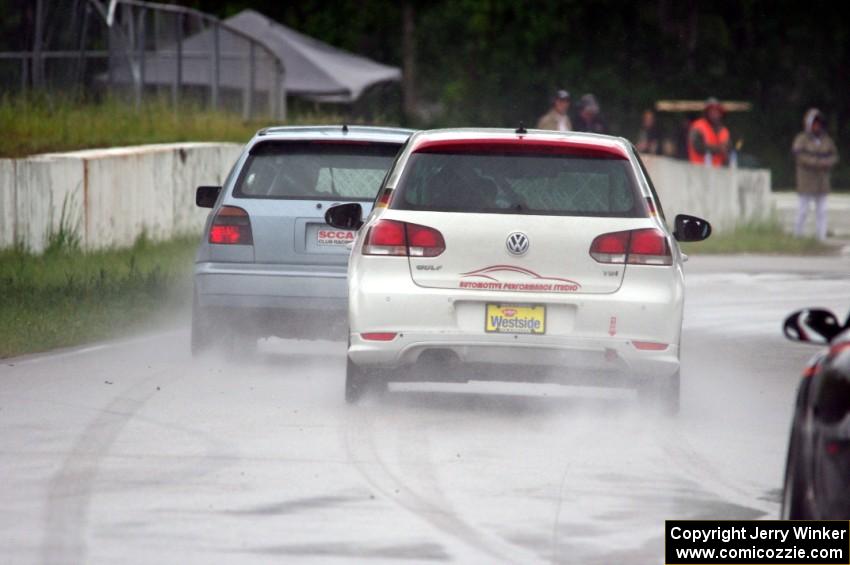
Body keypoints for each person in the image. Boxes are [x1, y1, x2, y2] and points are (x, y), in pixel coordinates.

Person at [793, 108, 839, 241]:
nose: (816, 127)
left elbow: (834, 155)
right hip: (806, 181)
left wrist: (827, 163)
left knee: (822, 211)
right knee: (803, 211)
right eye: (814, 123)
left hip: (822, 182)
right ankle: (798, 236)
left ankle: (821, 237)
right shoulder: (801, 139)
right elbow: (799, 156)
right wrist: (816, 163)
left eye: (818, 124)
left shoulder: (826, 140)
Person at [687, 97, 730, 166]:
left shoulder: (724, 131)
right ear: (706, 112)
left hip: (718, 172)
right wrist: (718, 149)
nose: (715, 114)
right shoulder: (698, 126)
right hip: (698, 170)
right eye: (712, 111)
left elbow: (728, 152)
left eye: (717, 111)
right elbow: (697, 147)